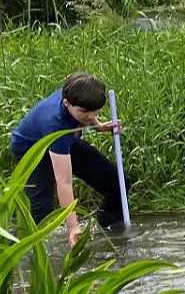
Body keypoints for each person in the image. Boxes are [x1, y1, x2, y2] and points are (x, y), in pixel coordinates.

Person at [9, 72, 128, 245]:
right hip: (32, 151)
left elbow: (88, 109)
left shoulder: (78, 92)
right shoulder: (56, 125)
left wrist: (99, 126)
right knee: (38, 217)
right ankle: (4, 254)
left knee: (117, 184)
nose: (90, 116)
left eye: (95, 112)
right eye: (84, 113)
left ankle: (110, 235)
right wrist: (73, 227)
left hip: (65, 141)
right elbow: (64, 182)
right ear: (67, 103)